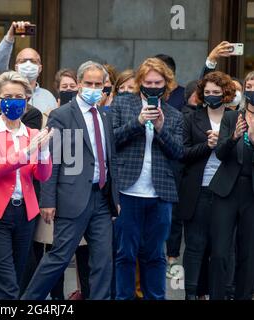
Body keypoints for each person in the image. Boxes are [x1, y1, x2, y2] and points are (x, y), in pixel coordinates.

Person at [21, 61, 120, 300]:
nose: (94, 88)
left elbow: (110, 159)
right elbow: (52, 160)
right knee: (59, 257)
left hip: (102, 198)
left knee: (103, 261)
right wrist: (48, 200)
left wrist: (114, 197)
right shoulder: (62, 115)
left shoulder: (105, 115)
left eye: (99, 84)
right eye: (89, 83)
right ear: (78, 84)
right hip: (72, 198)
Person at [0, 71, 53, 300]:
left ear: (27, 101)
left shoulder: (33, 133)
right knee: (7, 286)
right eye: (7, 96)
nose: (13, 101)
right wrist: (27, 151)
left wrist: (44, 152)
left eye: (19, 96)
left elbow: (42, 176)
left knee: (12, 280)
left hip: (24, 214)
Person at [112, 57, 184, 300]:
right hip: (127, 191)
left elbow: (178, 153)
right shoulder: (123, 105)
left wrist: (161, 128)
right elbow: (111, 140)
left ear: (166, 84)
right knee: (125, 254)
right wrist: (138, 122)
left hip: (160, 194)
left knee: (155, 255)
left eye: (158, 82)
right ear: (140, 82)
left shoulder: (174, 115)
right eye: (148, 81)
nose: (153, 86)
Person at [178, 71, 236, 300]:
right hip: (199, 190)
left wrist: (223, 143)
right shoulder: (192, 118)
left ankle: (221, 292)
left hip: (228, 191)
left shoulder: (235, 117)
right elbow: (182, 153)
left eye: (216, 92)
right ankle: (192, 293)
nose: (211, 96)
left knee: (223, 250)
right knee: (194, 246)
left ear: (226, 94)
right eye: (208, 92)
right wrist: (208, 146)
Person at [208, 71, 254, 300]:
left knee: (248, 253)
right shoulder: (231, 117)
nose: (252, 90)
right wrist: (235, 137)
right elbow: (220, 153)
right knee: (219, 252)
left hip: (251, 193)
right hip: (226, 190)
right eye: (249, 85)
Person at [0, 21, 57, 117]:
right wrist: (10, 37)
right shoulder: (5, 88)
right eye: (23, 61)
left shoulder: (48, 97)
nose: (28, 64)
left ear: (40, 68)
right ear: (16, 67)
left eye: (33, 61)